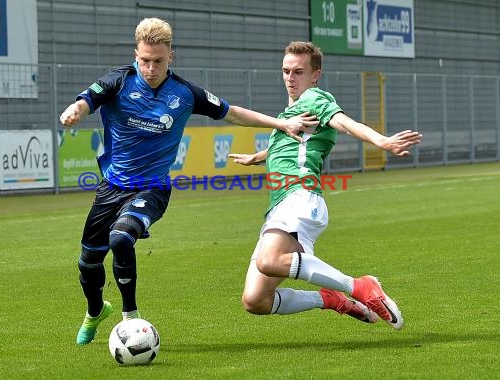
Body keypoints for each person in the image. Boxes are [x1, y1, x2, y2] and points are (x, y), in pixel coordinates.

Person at [59, 19, 318, 345]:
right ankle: (96, 311)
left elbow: (234, 113)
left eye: (158, 61)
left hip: (152, 188)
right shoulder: (118, 82)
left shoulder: (184, 93)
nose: (151, 68)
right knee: (88, 263)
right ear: (135, 55)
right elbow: (87, 99)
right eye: (144, 60)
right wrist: (76, 110)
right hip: (111, 187)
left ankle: (131, 321)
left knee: (121, 239)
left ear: (172, 57)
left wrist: (282, 123)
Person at [229, 41, 422, 329]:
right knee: (255, 300)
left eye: (298, 72)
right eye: (286, 71)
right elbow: (291, 144)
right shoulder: (290, 113)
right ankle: (331, 299)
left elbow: (343, 123)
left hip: (300, 197)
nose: (290, 78)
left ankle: (360, 286)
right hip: (281, 204)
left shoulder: (316, 99)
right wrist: (257, 157)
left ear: (315, 76)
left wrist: (381, 141)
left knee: (269, 261)